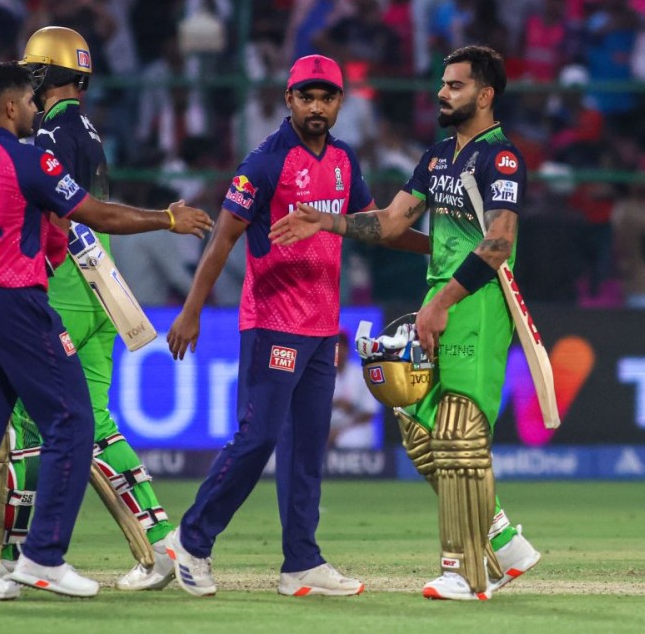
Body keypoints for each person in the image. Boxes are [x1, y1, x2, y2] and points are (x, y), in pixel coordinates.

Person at [0, 61, 212, 601]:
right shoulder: (29, 159)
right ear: (9, 107)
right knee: (74, 421)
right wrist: (166, 218)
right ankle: (43, 557)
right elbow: (97, 214)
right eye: (28, 102)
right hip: (18, 301)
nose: (36, 109)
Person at [270, 46, 542, 601]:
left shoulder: (501, 158)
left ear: (485, 95)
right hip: (439, 300)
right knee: (418, 430)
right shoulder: (439, 156)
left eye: (456, 85)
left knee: (459, 434)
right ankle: (503, 540)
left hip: (480, 304)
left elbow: (499, 243)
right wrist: (327, 220)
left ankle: (464, 573)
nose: (442, 93)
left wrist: (443, 302)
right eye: (442, 84)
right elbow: (394, 223)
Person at [165, 54, 428, 597]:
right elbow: (222, 238)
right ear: (289, 100)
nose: (315, 106)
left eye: (326, 97)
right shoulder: (264, 163)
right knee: (257, 437)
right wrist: (192, 309)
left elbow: (376, 226)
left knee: (309, 446)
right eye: (305, 97)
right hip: (272, 323)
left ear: (339, 103)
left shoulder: (344, 159)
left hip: (320, 328)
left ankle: (301, 563)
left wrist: (443, 250)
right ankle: (190, 541)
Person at [5, 25, 180, 591]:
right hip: (103, 283)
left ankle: (18, 555)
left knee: (29, 422)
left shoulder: (52, 133)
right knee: (96, 422)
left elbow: (55, 214)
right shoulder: (87, 128)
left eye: (31, 75)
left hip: (62, 288)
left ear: (43, 77)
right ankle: (160, 544)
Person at [329, 330, 382, 449]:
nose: (338, 352)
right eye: (335, 348)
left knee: (351, 441)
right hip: (326, 427)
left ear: (347, 349)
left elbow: (370, 412)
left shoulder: (360, 374)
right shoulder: (321, 375)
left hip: (353, 426)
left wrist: (350, 409)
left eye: (341, 347)